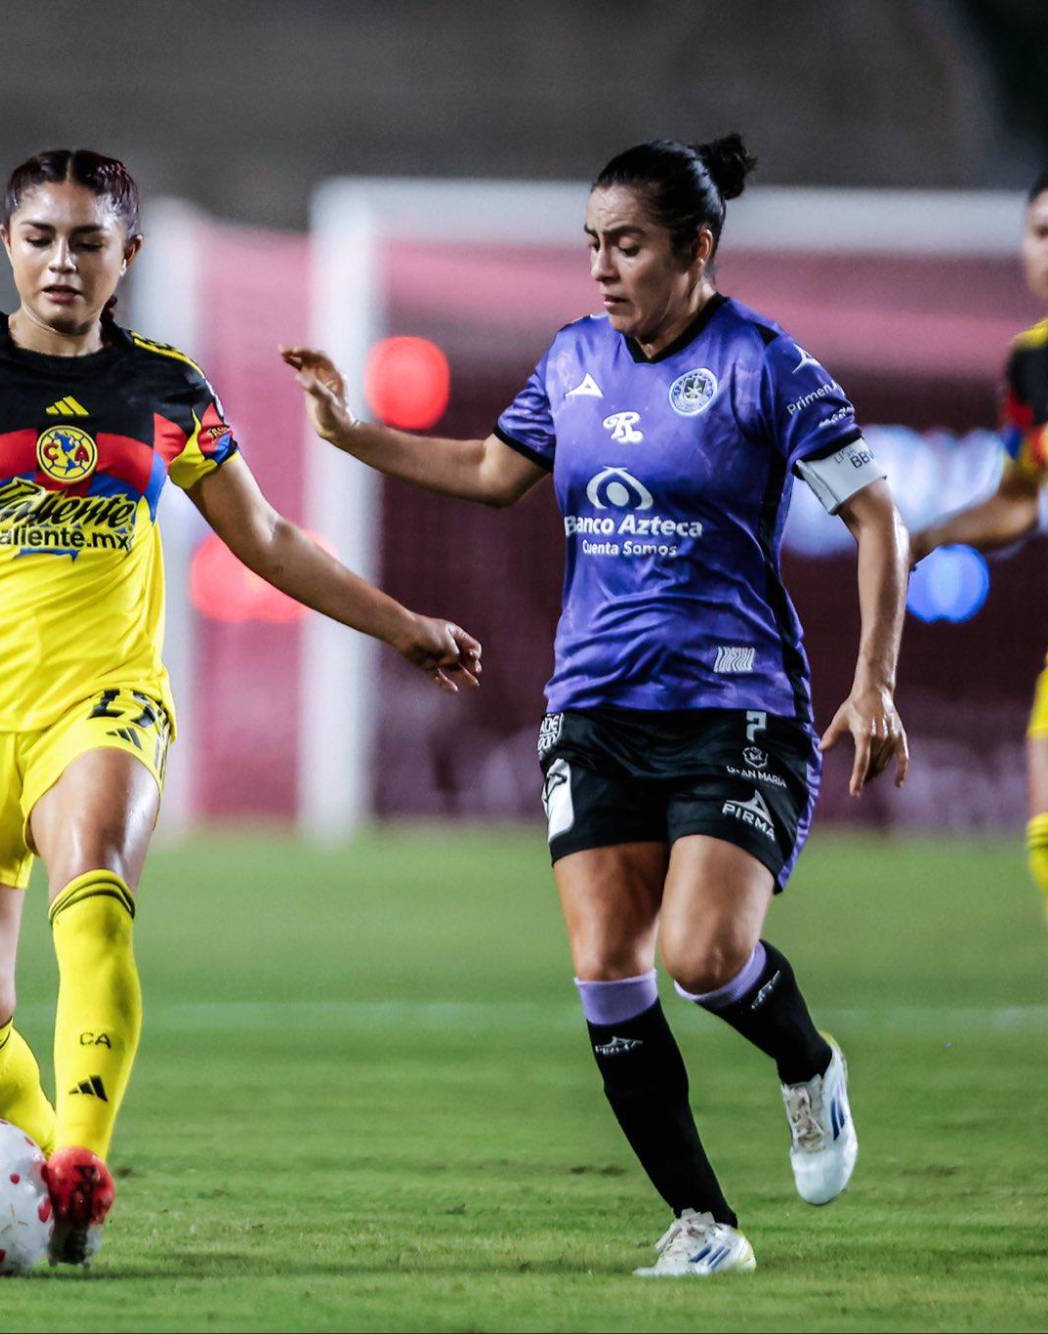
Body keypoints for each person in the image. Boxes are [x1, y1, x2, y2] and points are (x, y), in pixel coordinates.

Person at [0, 149, 483, 1267]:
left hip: (101, 696)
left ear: (125, 255)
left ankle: (79, 1153)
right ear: (6, 243)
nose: (62, 261)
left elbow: (265, 539)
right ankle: (52, 1196)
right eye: (40, 236)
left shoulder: (166, 387)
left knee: (94, 890)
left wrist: (398, 622)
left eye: (88, 240)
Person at [281, 134, 909, 1277]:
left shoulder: (766, 364)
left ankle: (806, 1062)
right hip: (592, 707)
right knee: (606, 970)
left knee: (704, 955)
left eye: (625, 244)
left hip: (734, 707)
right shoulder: (572, 358)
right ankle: (705, 1224)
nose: (601, 269)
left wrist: (872, 680)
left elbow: (876, 515)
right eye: (590, 245)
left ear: (695, 248)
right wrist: (348, 432)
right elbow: (488, 470)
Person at [910, 169, 1048, 923]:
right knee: (1045, 841)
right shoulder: (1033, 361)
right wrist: (928, 535)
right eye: (1039, 232)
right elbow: (1019, 502)